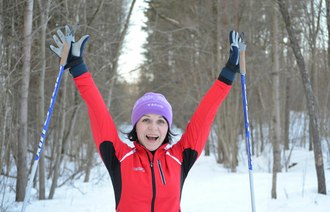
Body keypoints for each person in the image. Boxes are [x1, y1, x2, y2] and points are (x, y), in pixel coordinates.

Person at [50, 25, 241, 212]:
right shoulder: (119, 157)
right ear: (135, 125)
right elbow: (98, 111)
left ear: (167, 128)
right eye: (146, 120)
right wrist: (77, 67)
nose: (153, 128)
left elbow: (205, 115)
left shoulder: (179, 158)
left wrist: (229, 72)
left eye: (161, 121)